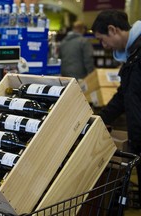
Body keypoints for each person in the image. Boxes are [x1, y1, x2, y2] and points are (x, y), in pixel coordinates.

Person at [91, 9, 141, 207]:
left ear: (112, 30)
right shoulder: (133, 57)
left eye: (102, 39)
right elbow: (123, 97)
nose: (104, 46)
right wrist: (98, 120)